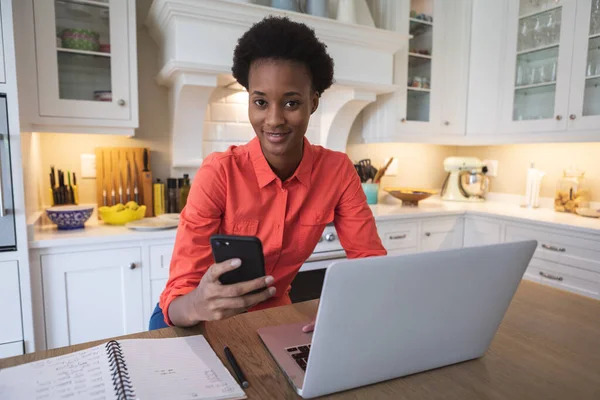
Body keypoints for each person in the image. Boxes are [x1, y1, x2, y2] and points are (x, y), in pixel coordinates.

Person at [149, 16, 386, 331]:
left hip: (272, 318)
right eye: (260, 102)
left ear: (313, 102)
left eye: (291, 103)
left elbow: (369, 260)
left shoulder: (337, 171)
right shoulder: (219, 173)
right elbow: (177, 296)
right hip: (193, 319)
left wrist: (349, 308)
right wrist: (198, 302)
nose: (274, 119)